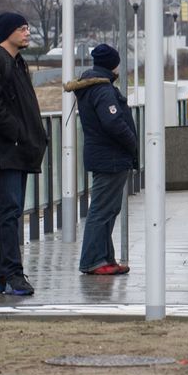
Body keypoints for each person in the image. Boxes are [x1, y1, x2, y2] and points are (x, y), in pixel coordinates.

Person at [0, 12, 47, 296]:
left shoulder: (16, 61)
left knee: (7, 211)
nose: (27, 33)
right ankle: (13, 274)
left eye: (27, 28)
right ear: (8, 32)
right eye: (22, 28)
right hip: (5, 148)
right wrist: (15, 131)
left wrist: (32, 135)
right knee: (9, 211)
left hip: (18, 147)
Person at [66, 43, 138, 276]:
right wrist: (132, 143)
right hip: (111, 157)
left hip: (105, 156)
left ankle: (105, 257)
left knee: (109, 208)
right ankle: (93, 260)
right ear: (112, 64)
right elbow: (113, 122)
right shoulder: (103, 90)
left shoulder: (94, 86)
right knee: (101, 209)